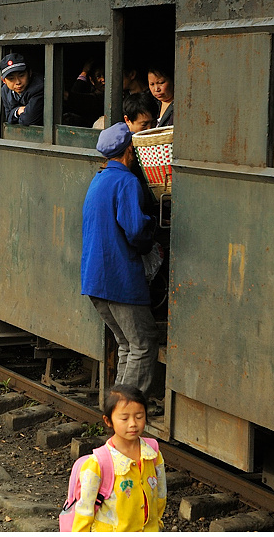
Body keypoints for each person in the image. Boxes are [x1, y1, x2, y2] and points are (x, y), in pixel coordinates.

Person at [81, 123, 160, 413]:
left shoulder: (98, 179)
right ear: (130, 151)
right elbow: (136, 230)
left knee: (126, 343)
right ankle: (126, 413)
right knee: (143, 343)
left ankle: (116, 409)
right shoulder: (127, 182)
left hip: (94, 280)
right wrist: (153, 230)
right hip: (120, 279)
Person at [70, 385, 166, 531]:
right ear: (108, 421)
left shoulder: (153, 452)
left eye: (139, 416)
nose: (133, 423)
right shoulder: (99, 463)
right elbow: (84, 510)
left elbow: (160, 494)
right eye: (124, 418)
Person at [0, 53, 45, 126]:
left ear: (30, 73)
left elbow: (28, 120)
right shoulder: (5, 90)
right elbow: (8, 116)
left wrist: (14, 114)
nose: (18, 82)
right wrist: (17, 111)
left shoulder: (38, 87)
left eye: (21, 76)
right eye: (11, 79)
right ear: (4, 80)